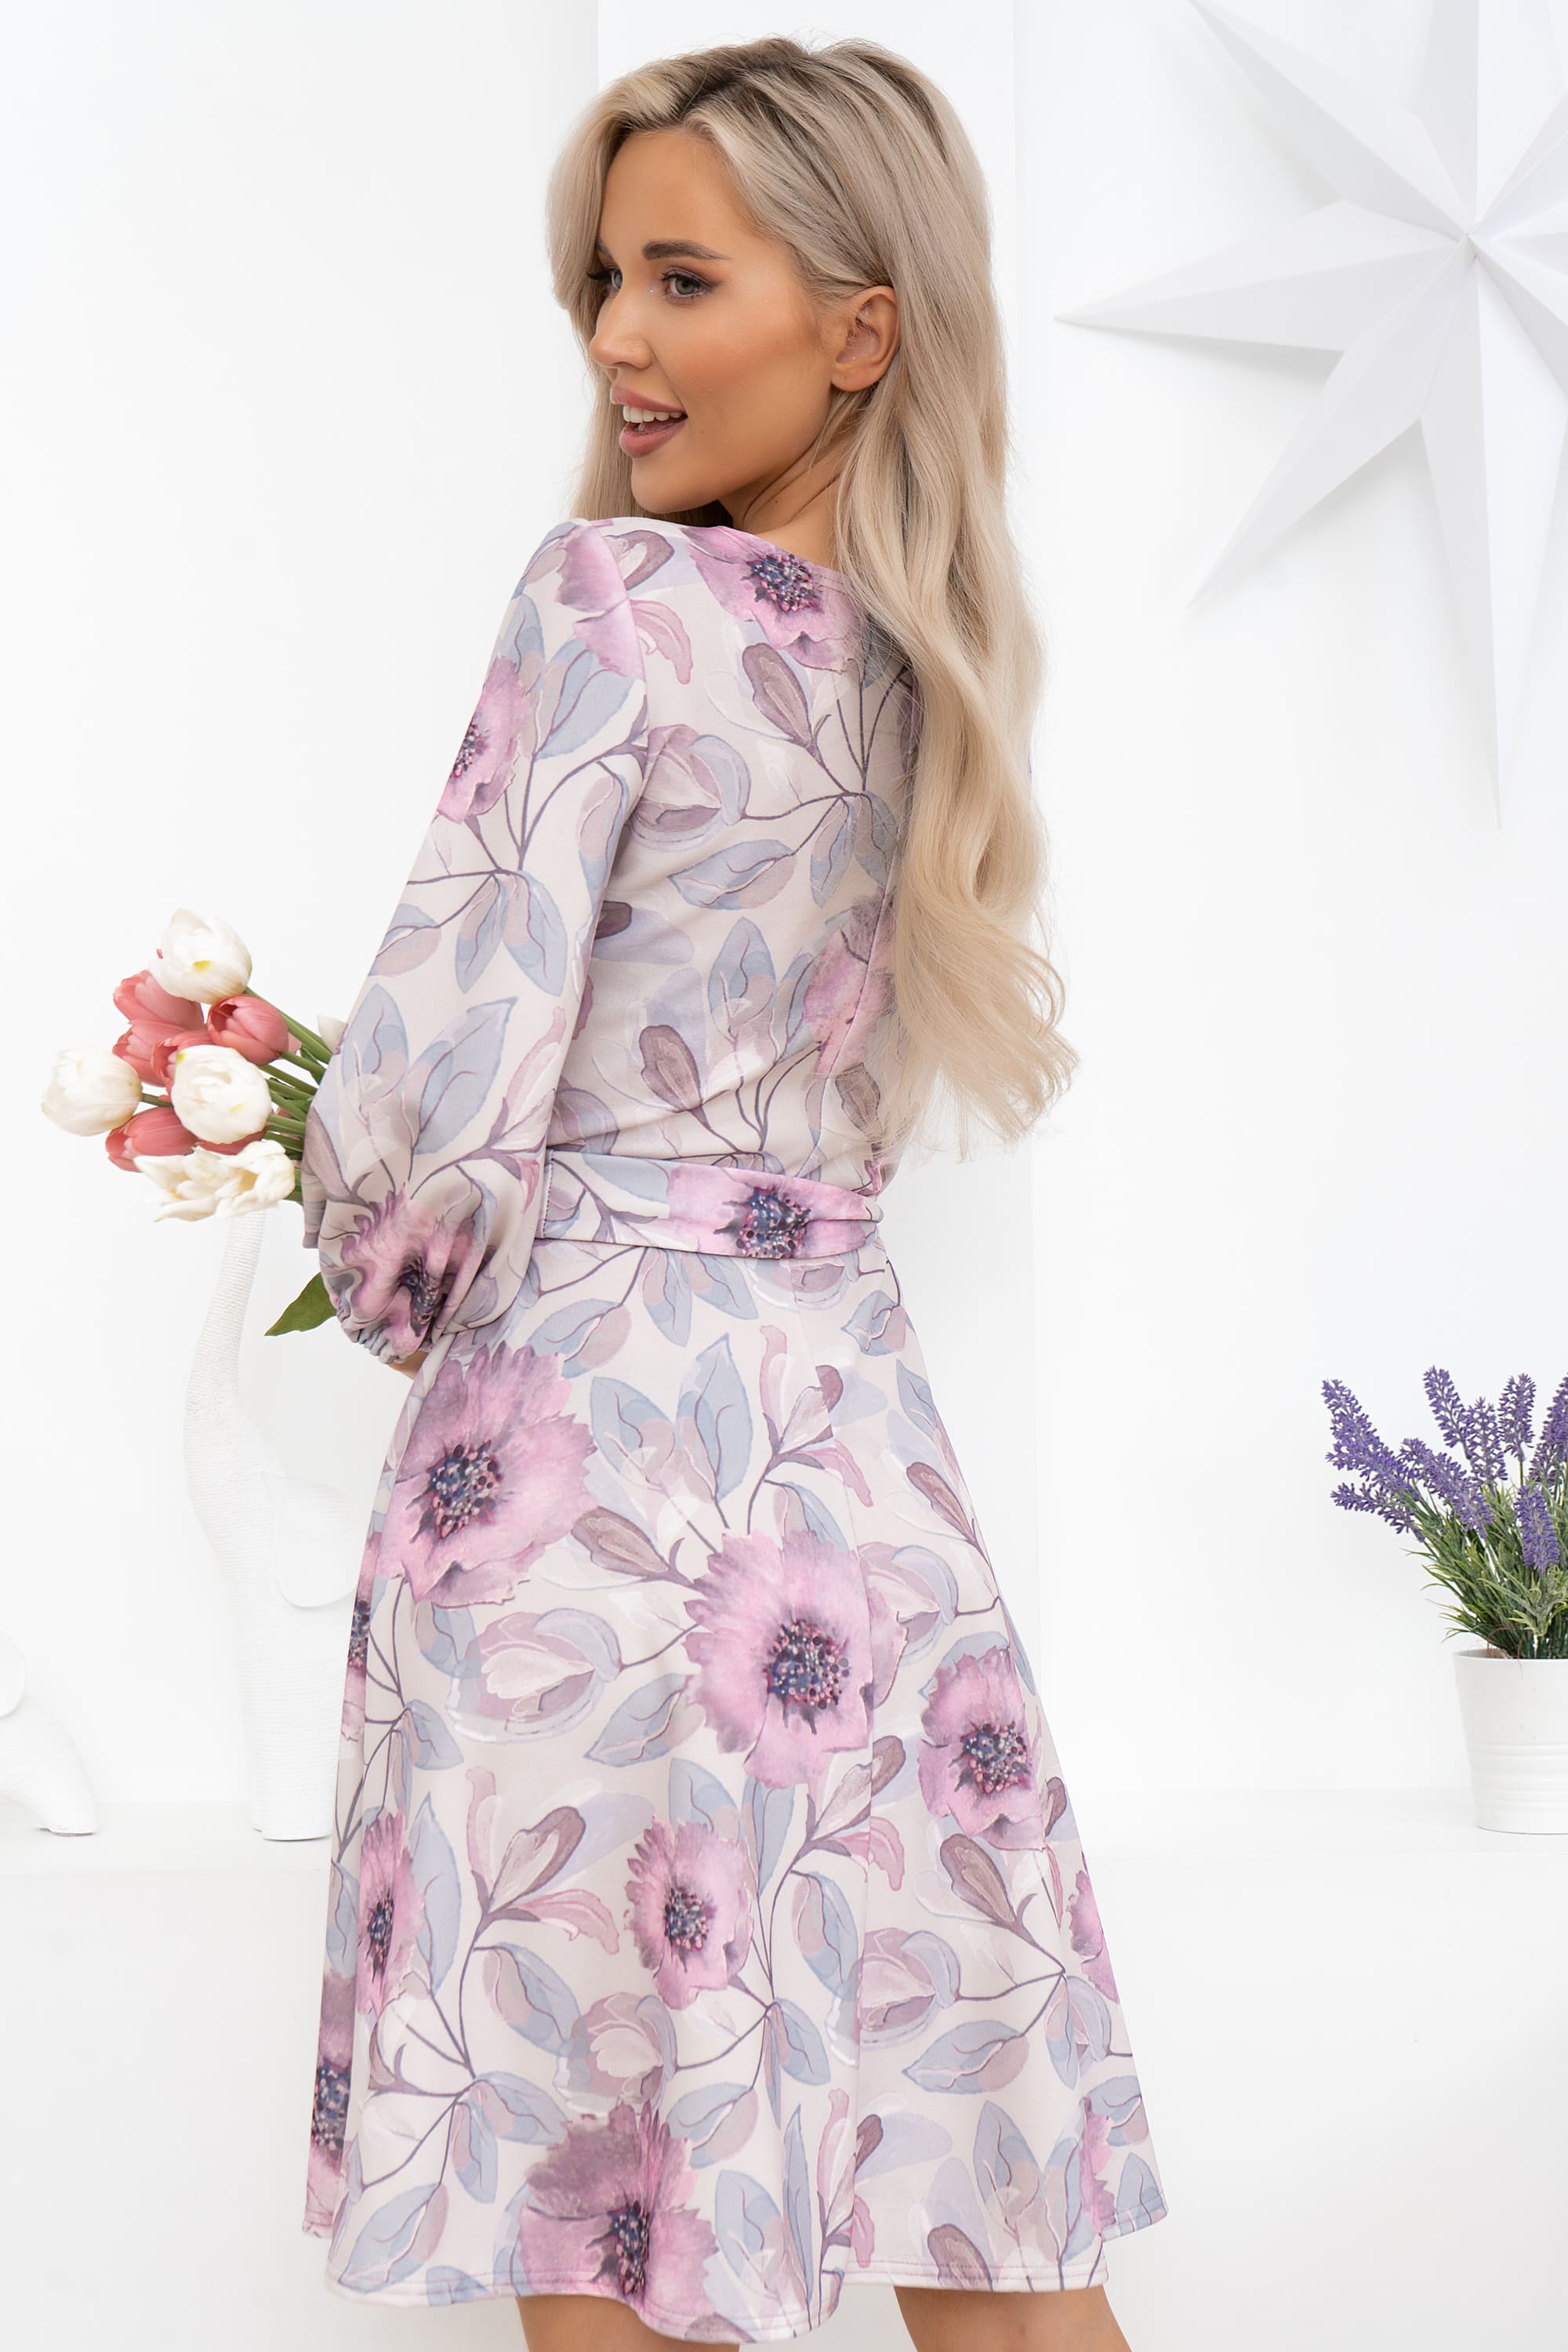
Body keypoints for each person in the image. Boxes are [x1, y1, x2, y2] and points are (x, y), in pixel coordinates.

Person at [297, 33, 1169, 2351]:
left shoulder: (610, 600)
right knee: (995, 2230)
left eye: (685, 278)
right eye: (607, 280)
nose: (620, 337)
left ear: (862, 328)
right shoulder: (930, 666)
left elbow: (417, 1130)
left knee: (622, 2239)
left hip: (580, 1481)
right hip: (859, 1485)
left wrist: (358, 1215)